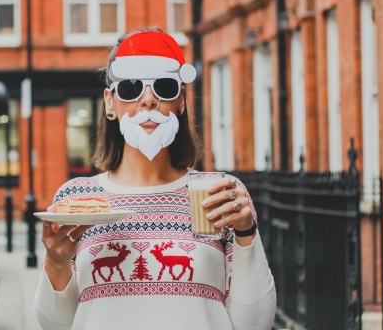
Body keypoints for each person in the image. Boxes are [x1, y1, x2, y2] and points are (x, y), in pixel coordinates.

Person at [35, 28, 276, 330]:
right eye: (132, 88)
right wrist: (56, 262)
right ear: (110, 103)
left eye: (163, 87)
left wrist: (246, 232)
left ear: (181, 101)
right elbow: (57, 326)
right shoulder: (78, 200)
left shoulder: (220, 195)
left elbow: (254, 325)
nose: (148, 100)